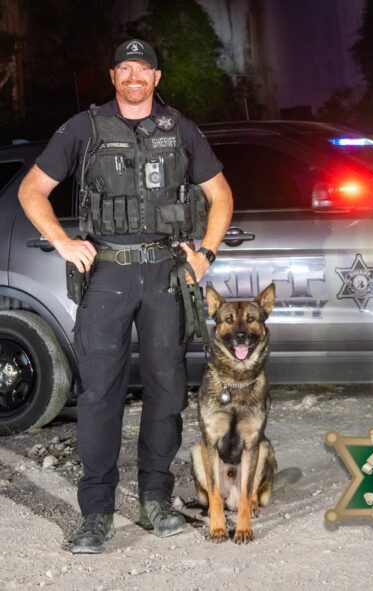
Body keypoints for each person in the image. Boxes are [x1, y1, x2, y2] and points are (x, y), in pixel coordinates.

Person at [18, 39, 234, 554]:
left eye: (144, 69)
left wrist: (205, 252)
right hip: (108, 275)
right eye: (126, 69)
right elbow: (32, 190)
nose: (135, 77)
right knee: (99, 397)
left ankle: (155, 499)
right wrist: (64, 242)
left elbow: (220, 195)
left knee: (166, 391)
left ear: (157, 78)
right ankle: (96, 512)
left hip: (165, 273)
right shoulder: (84, 129)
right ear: (113, 76)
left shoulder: (180, 129)